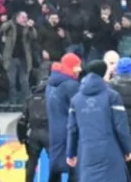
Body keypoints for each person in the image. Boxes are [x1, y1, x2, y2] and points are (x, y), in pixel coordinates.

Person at [65, 60, 131, 182]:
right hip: (110, 151)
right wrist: (128, 148)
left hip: (86, 153)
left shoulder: (76, 100)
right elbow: (121, 126)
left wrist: (70, 152)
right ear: (103, 73)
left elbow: (72, 129)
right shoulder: (112, 96)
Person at [45, 54, 81, 182]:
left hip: (54, 129)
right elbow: (79, 109)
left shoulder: (50, 85)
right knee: (74, 167)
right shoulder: (71, 85)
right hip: (69, 130)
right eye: (77, 68)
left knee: (55, 168)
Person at [15, 74, 49, 182]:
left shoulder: (31, 98)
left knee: (31, 162)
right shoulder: (53, 97)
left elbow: (22, 121)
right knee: (55, 162)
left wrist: (22, 138)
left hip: (33, 133)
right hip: (49, 132)